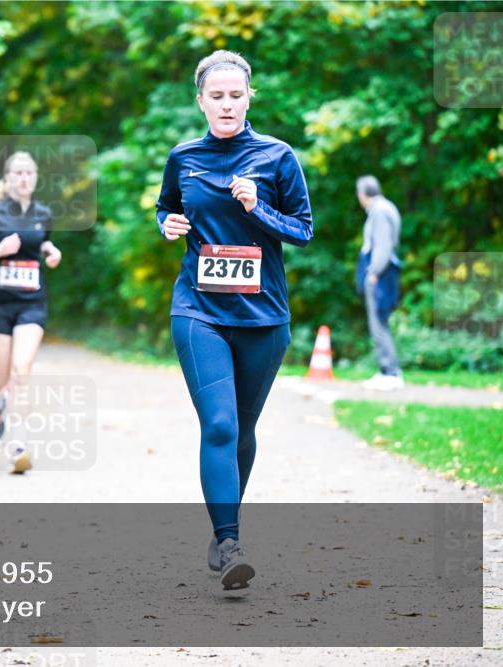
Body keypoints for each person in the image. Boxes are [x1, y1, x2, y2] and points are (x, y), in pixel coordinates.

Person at [155, 50, 313, 590]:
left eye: (236, 95)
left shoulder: (277, 156)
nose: (227, 104)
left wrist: (256, 209)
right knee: (220, 425)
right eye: (216, 96)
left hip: (263, 317)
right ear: (200, 101)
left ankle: (225, 526)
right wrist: (167, 224)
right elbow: (166, 206)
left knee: (243, 430)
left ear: (249, 98)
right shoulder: (184, 156)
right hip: (198, 310)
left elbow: (304, 230)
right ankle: (229, 543)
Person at [0, 151, 63, 473]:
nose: (24, 178)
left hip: (31, 303)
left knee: (22, 371)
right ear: (8, 179)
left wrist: (50, 251)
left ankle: (19, 444)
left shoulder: (44, 214)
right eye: (18, 173)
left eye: (29, 173)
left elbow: (40, 243)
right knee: (2, 377)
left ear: (35, 178)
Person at [355, 175, 404, 391]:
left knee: (378, 324)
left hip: (379, 274)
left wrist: (373, 272)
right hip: (383, 272)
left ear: (362, 194)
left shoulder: (379, 211)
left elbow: (382, 245)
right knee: (380, 322)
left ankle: (390, 372)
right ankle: (387, 370)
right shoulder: (386, 207)